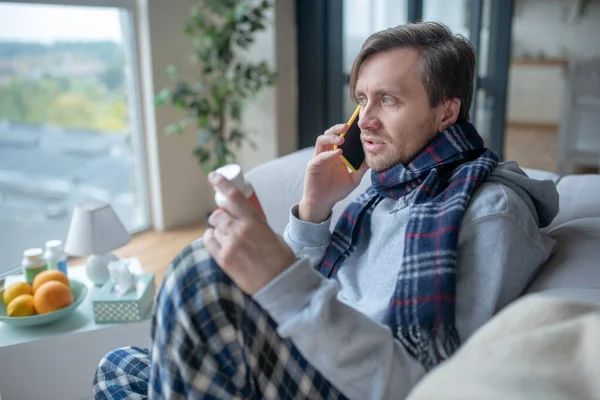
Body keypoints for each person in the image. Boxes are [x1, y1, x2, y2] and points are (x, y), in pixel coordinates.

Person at [93, 21, 558, 399]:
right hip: (313, 352)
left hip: (361, 382)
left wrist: (278, 277)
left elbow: (434, 386)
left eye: (389, 99)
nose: (367, 120)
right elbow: (312, 292)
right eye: (362, 100)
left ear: (446, 112)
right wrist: (314, 209)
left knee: (199, 275)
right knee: (118, 369)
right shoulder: (378, 189)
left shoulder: (488, 210)